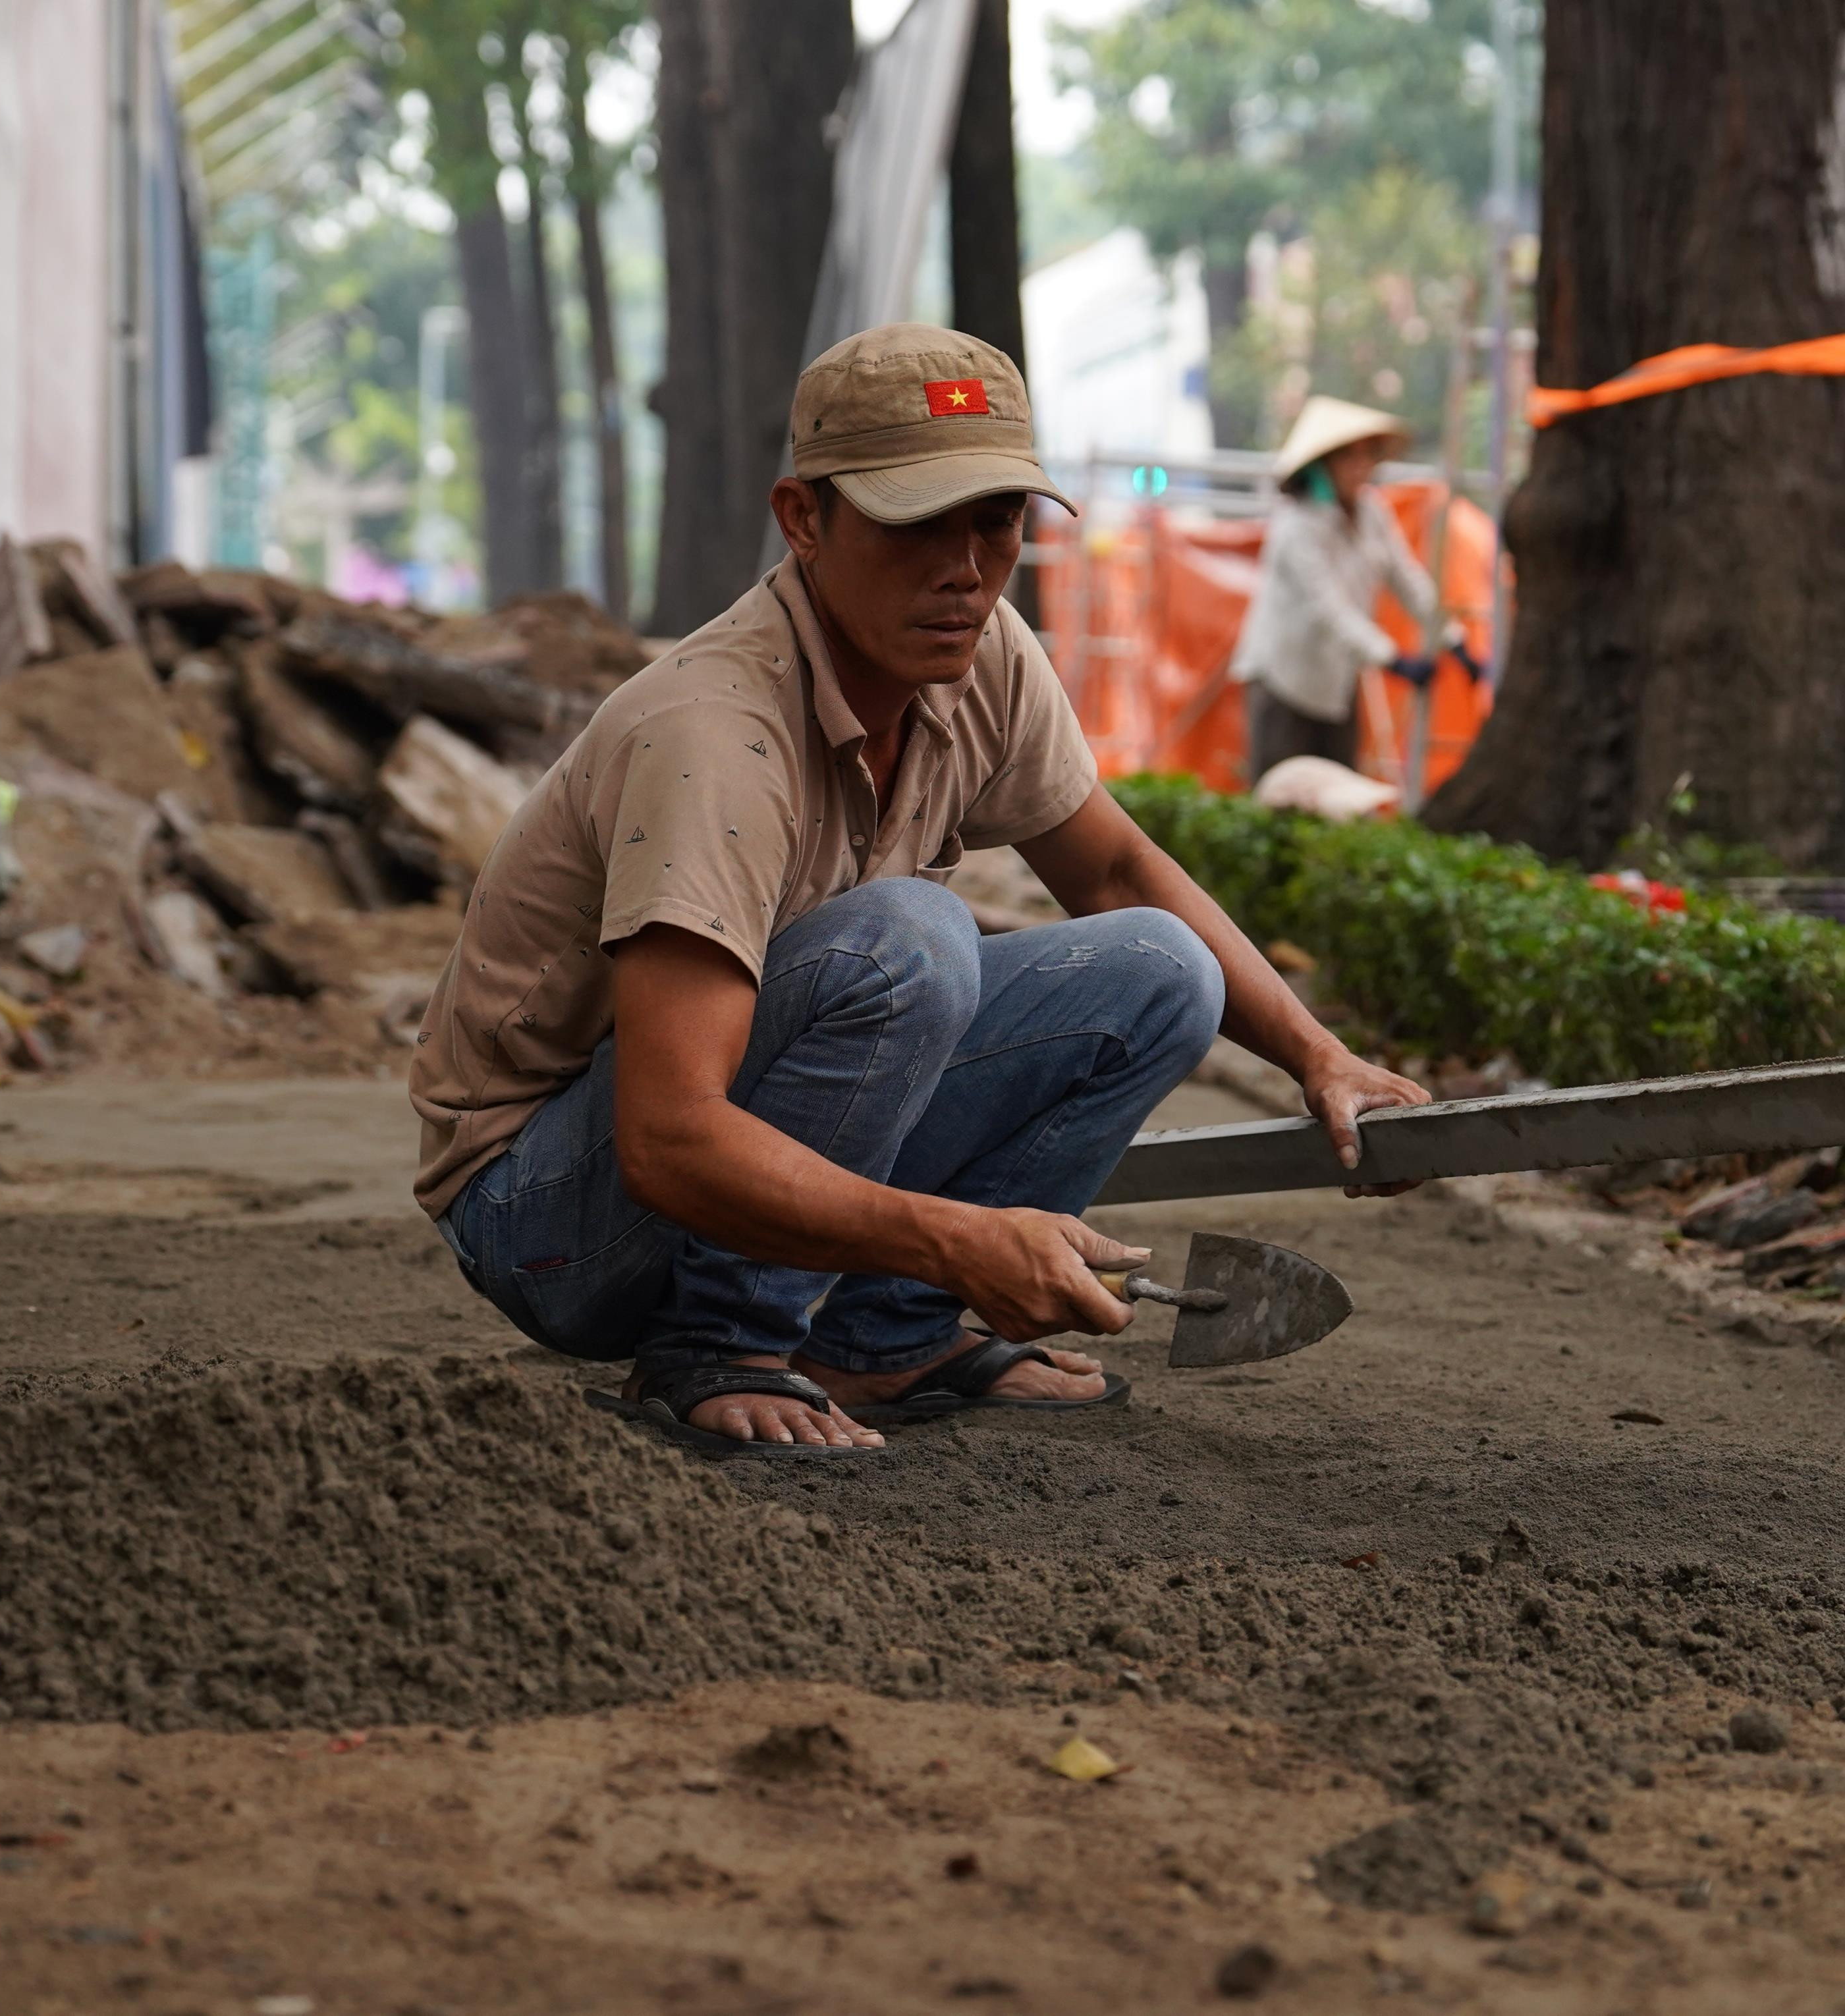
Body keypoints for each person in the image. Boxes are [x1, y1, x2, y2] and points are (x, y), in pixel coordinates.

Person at [408, 324, 1430, 1454]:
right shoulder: (713, 737)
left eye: (996, 521)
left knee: (1157, 967)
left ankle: (881, 1342)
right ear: (805, 519)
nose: (966, 566)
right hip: (549, 1214)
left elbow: (1117, 869)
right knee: (911, 939)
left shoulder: (985, 651)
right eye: (915, 522)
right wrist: (958, 1237)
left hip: (706, 1135)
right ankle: (722, 1343)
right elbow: (663, 1137)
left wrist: (1320, 1058)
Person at [1230, 395, 1454, 786]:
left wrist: (1454, 638)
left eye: (1368, 456)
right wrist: (1393, 659)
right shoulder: (1296, 527)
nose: (1361, 468)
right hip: (1284, 681)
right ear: (1323, 465)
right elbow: (1329, 608)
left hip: (1336, 683)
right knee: (1282, 792)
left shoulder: (1372, 513)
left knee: (1341, 794)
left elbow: (1407, 578)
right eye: (1349, 458)